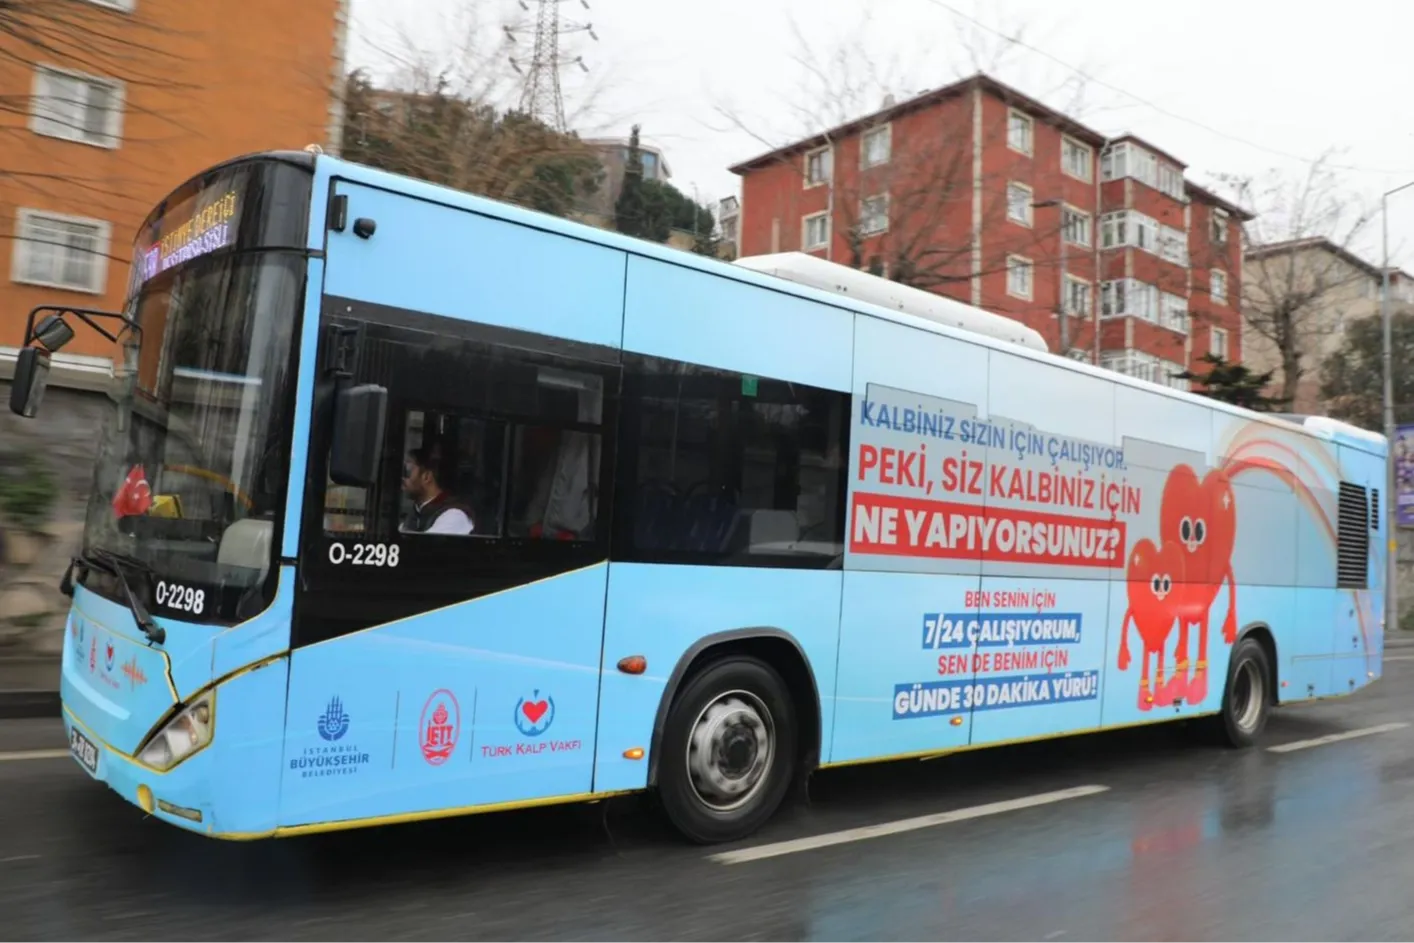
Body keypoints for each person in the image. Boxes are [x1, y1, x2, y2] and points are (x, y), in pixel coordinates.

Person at [399, 446, 474, 536]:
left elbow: (425, 544)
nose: (402, 478)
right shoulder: (415, 514)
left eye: (407, 471)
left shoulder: (454, 515)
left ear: (426, 477)